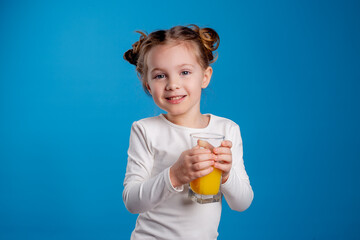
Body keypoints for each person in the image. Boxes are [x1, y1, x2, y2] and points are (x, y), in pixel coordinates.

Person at [122, 24, 254, 240]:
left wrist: (227, 175)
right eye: (160, 76)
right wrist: (175, 175)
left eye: (184, 72)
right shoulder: (145, 129)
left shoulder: (227, 130)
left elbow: (242, 203)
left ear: (205, 76)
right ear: (147, 84)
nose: (173, 84)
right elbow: (132, 201)